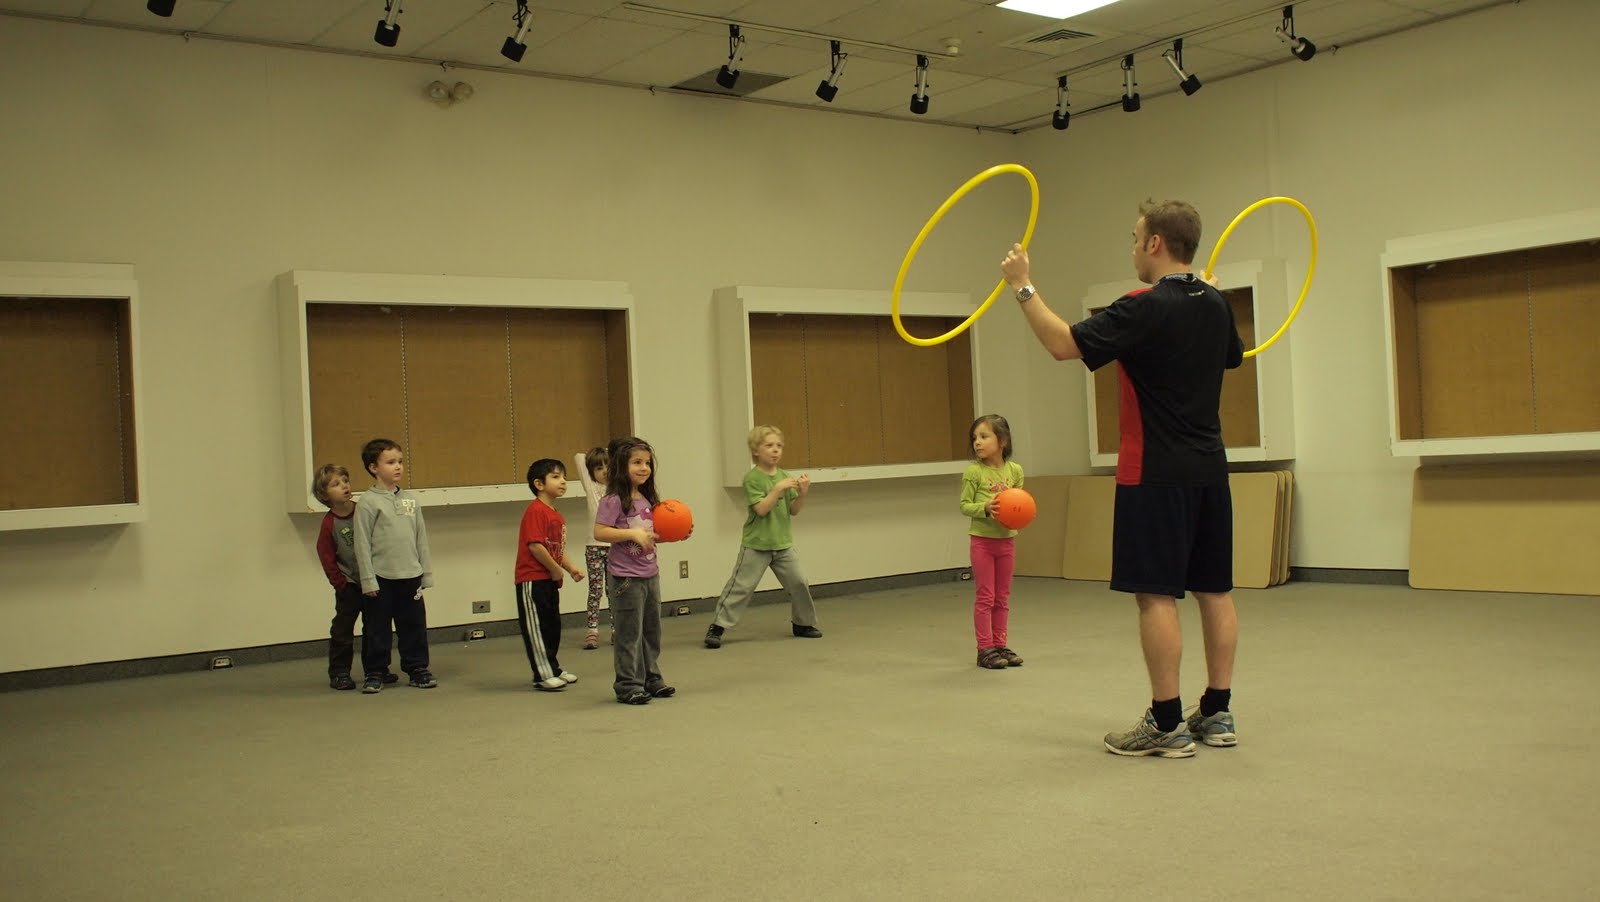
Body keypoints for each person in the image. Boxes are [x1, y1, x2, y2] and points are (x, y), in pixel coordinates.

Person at [1001, 199, 1243, 758]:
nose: (1133, 247)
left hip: (1154, 472)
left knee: (1155, 596)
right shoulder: (1216, 303)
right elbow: (1228, 357)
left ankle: (1165, 723)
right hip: (1210, 469)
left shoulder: (1143, 306)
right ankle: (1218, 710)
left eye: (1135, 238)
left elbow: (1063, 343)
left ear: (1156, 243)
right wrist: (1204, 297)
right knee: (1215, 590)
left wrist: (1023, 285)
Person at [703, 425, 821, 649]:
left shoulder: (785, 477)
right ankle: (718, 626)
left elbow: (794, 510)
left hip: (783, 544)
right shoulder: (752, 479)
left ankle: (803, 624)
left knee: (799, 582)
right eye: (769, 445)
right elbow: (761, 509)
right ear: (756, 450)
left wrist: (803, 493)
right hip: (756, 545)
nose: (775, 450)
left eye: (779, 446)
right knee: (741, 587)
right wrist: (777, 490)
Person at [592, 436, 679, 705]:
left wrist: (675, 533)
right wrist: (631, 533)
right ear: (621, 465)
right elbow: (600, 531)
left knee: (652, 630)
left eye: (648, 463)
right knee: (630, 633)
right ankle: (628, 684)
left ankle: (651, 678)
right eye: (637, 462)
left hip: (650, 574)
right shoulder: (613, 500)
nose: (644, 468)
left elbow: (653, 534)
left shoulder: (648, 498)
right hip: (625, 578)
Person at [352, 438, 437, 694]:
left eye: (400, 461)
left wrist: (425, 573)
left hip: (410, 575)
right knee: (377, 628)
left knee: (413, 625)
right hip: (381, 577)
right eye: (390, 462)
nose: (398, 467)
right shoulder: (368, 502)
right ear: (373, 467)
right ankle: (376, 671)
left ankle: (417, 668)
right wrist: (368, 579)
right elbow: (362, 543)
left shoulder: (411, 500)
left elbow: (420, 537)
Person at [312, 463, 395, 691]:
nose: (344, 486)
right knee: (343, 630)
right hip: (348, 584)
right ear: (324, 494)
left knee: (376, 628)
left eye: (345, 481)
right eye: (336, 484)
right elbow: (326, 556)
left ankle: (376, 669)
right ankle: (339, 672)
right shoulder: (330, 524)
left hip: (372, 579)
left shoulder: (363, 510)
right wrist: (340, 583)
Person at [958, 415, 1024, 671]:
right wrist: (984, 507)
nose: (977, 442)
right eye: (975, 437)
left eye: (984, 437)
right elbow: (964, 506)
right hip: (982, 542)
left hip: (1006, 542)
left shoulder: (1015, 471)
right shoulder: (974, 472)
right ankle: (984, 648)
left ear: (1003, 441)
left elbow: (1019, 503)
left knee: (1003, 597)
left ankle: (1000, 643)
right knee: (986, 596)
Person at [515, 458, 585, 691]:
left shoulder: (556, 515)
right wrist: (555, 571)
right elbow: (536, 547)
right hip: (532, 580)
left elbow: (556, 550)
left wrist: (571, 568)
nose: (563, 481)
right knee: (537, 628)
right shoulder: (536, 511)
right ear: (539, 483)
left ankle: (552, 667)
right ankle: (542, 674)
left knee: (552, 626)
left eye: (563, 476)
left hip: (549, 581)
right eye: (555, 477)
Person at [574, 447, 611, 650]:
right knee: (595, 590)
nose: (604, 470)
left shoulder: (618, 490)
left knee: (613, 591)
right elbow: (579, 458)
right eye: (599, 467)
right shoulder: (591, 487)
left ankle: (617, 629)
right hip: (594, 547)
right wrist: (602, 453)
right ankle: (592, 630)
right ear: (592, 472)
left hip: (616, 547)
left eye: (608, 466)